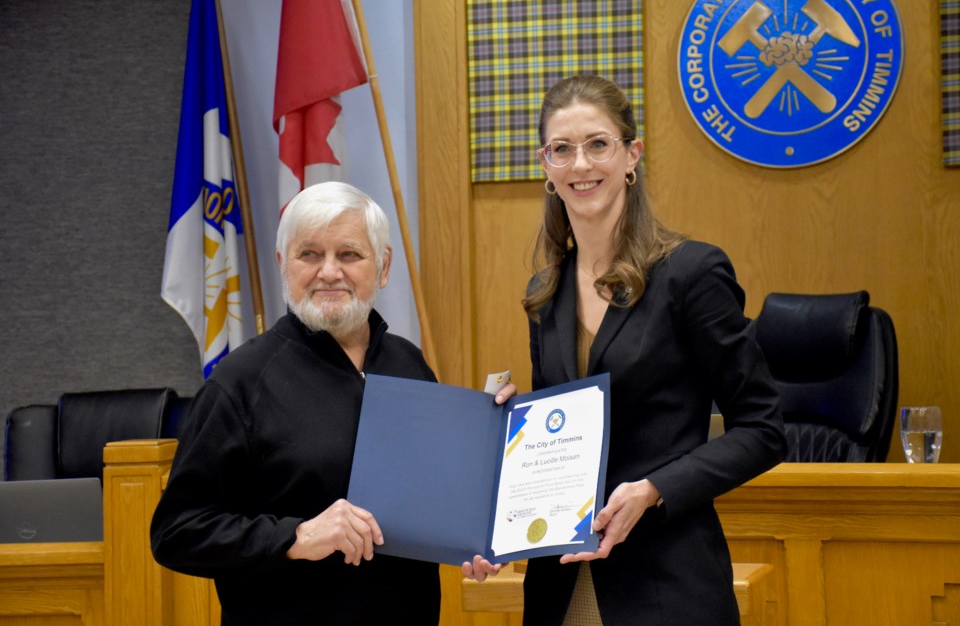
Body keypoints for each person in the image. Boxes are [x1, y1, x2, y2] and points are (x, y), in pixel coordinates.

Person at [466, 75, 787, 625]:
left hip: (664, 583)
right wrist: (511, 433)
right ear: (545, 164)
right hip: (562, 582)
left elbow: (763, 429)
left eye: (597, 144)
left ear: (631, 154)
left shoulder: (691, 273)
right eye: (561, 149)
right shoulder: (545, 292)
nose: (580, 164)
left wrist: (655, 489)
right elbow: (562, 437)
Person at [151, 181, 513, 625]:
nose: (328, 272)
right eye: (309, 254)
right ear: (284, 265)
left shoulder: (409, 363)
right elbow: (177, 532)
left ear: (382, 267)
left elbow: (433, 499)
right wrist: (296, 536)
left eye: (349, 254)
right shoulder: (240, 381)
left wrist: (472, 541)